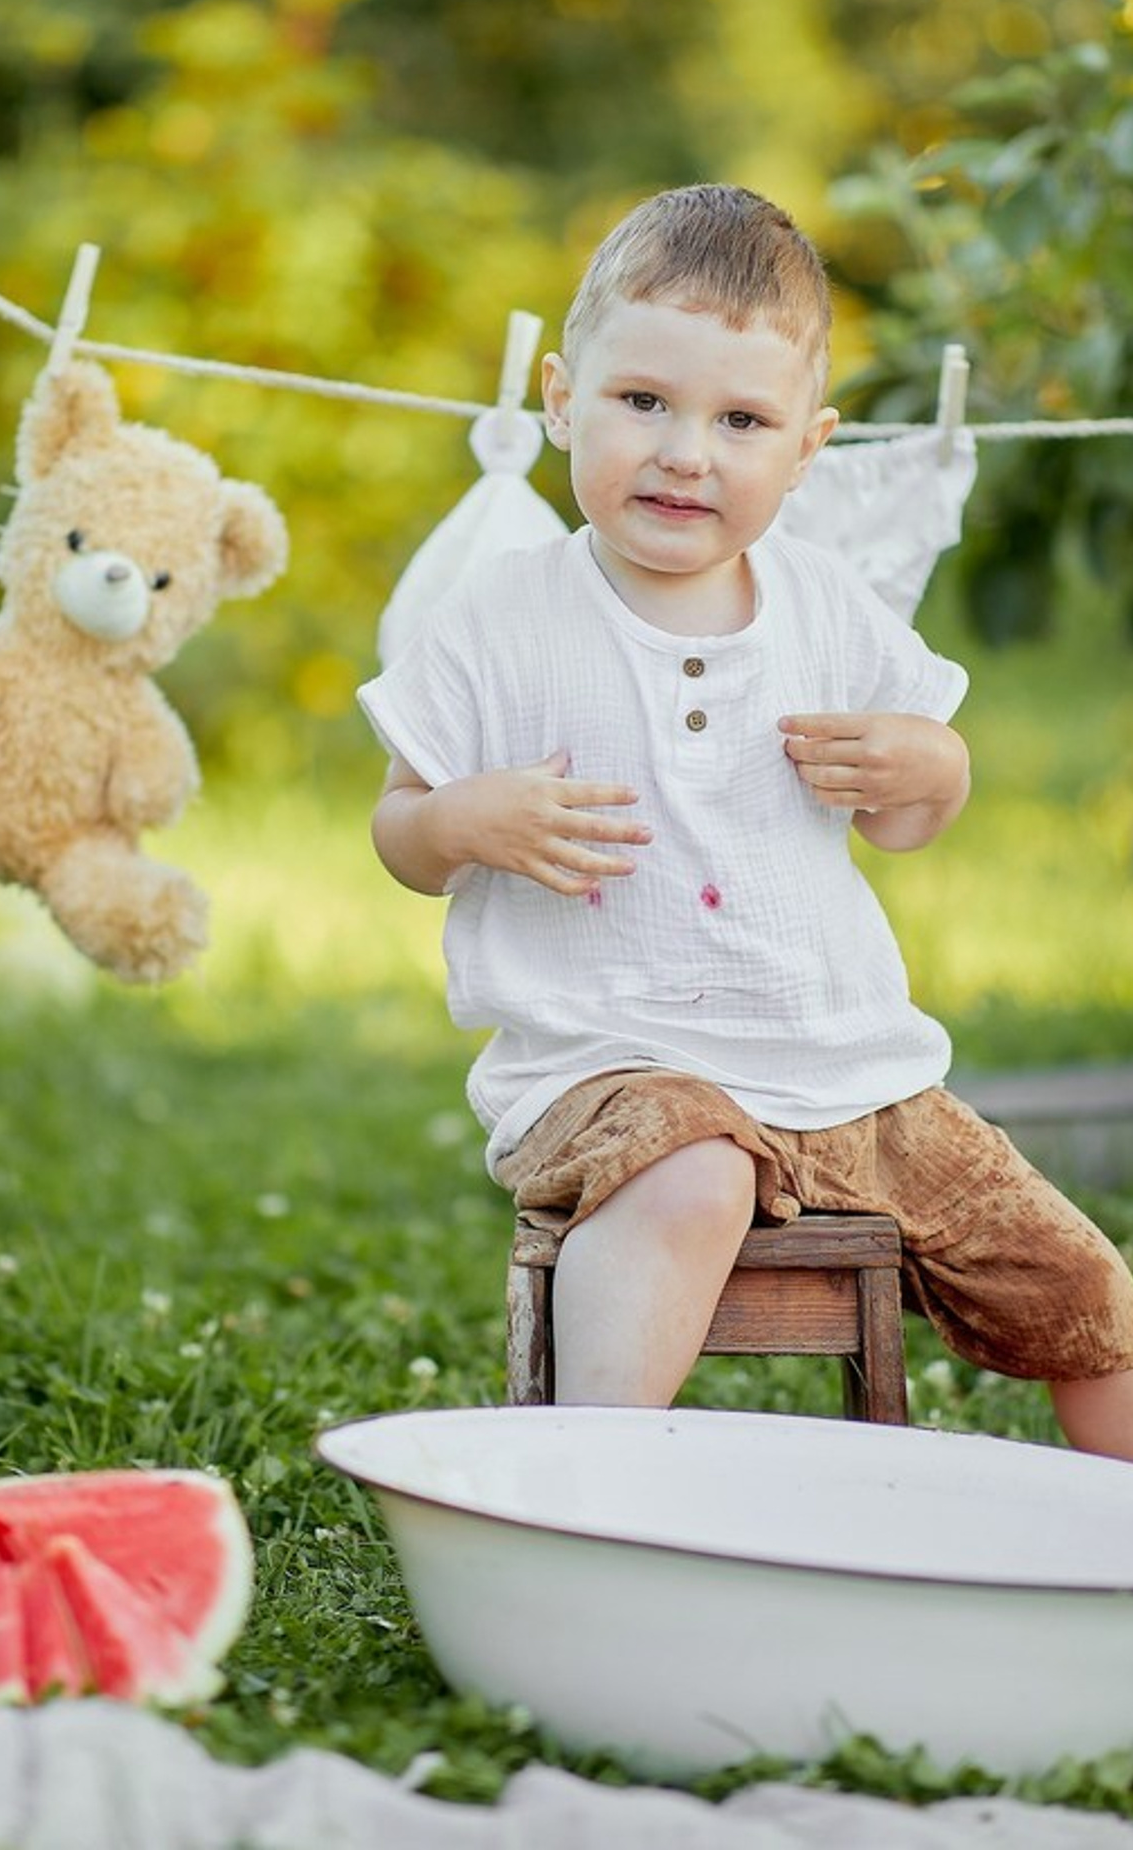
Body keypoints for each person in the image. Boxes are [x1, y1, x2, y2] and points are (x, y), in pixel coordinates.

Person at [357, 182, 1133, 1456]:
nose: (684, 452)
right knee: (694, 1169)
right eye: (642, 401)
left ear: (805, 447)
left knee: (1080, 1284)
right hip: (608, 1069)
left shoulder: (823, 608)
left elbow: (910, 821)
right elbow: (398, 838)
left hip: (852, 1076)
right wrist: (459, 819)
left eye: (739, 420)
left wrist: (924, 765)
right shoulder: (500, 618)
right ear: (561, 397)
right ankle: (592, 1480)